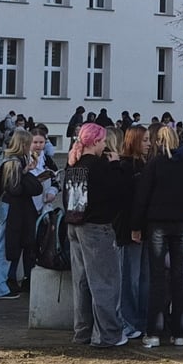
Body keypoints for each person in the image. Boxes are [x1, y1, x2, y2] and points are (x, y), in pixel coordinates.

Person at [130, 126, 183, 348]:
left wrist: (136, 226)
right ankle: (179, 333)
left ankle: (154, 332)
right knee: (178, 278)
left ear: (158, 142)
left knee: (156, 279)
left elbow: (142, 197)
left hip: (157, 225)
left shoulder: (155, 164)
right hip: (180, 225)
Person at [65, 123, 131, 348]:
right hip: (97, 228)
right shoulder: (100, 166)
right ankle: (108, 334)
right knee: (104, 282)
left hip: (74, 226)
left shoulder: (74, 164)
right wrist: (116, 166)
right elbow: (120, 192)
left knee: (82, 282)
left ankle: (82, 331)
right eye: (102, 141)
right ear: (94, 142)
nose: (105, 145)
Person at [0, 130, 36, 299]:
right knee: (2, 248)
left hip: (1, 206)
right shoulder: (14, 162)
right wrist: (26, 176)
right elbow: (15, 188)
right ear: (24, 144)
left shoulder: (4, 157)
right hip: (8, 208)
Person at [117, 125, 150, 340]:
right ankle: (131, 321)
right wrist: (135, 228)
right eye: (145, 139)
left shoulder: (144, 165)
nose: (149, 143)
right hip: (131, 229)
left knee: (140, 277)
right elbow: (131, 203)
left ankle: (139, 320)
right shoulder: (127, 167)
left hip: (141, 228)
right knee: (131, 277)